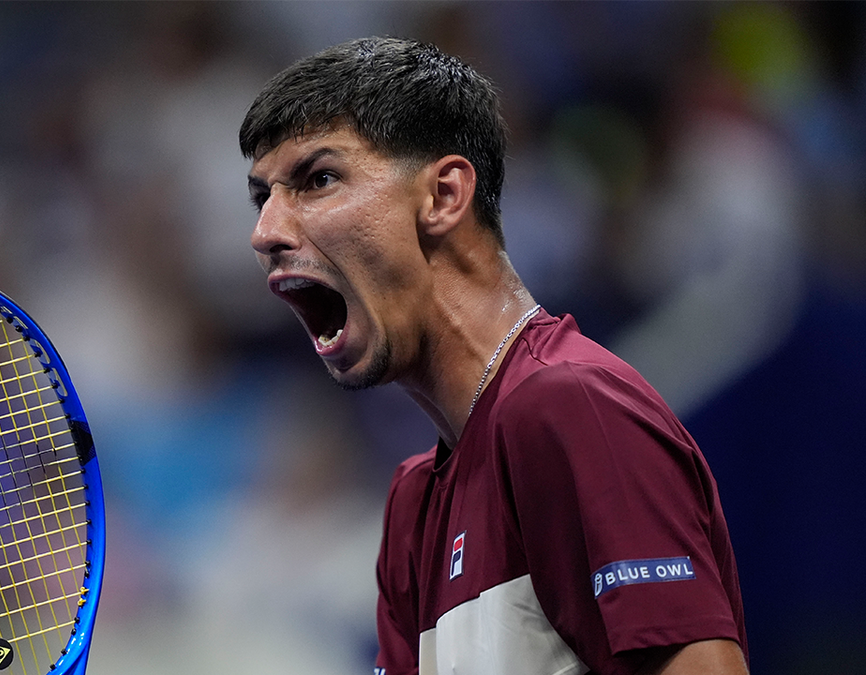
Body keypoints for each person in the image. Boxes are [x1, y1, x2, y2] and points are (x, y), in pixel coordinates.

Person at [238, 37, 749, 675]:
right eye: (263, 199)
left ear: (445, 196)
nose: (265, 233)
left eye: (319, 178)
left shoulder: (570, 408)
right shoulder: (411, 506)